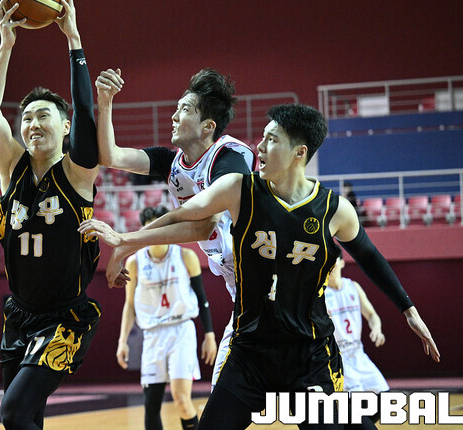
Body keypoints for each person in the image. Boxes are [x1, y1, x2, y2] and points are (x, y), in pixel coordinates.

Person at [80, 103, 440, 429]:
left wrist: (408, 310)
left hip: (309, 355)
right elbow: (185, 213)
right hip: (249, 352)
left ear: (299, 152)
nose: (260, 147)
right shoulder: (239, 189)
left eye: (271, 140)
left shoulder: (334, 209)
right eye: (262, 138)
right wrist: (125, 240)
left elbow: (371, 257)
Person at [0, 0, 102, 430]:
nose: (32, 123)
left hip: (64, 317)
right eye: (27, 117)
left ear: (65, 126)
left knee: (12, 412)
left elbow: (86, 113)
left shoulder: (78, 172)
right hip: (19, 315)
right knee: (28, 418)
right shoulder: (10, 167)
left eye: (43, 116)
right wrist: (6, 45)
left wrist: (73, 38)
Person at [94, 67, 257, 389]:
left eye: (184, 109)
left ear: (208, 126)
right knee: (240, 397)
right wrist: (105, 102)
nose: (173, 115)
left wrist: (125, 242)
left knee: (240, 395)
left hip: (270, 279)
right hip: (240, 286)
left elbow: (202, 225)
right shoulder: (171, 163)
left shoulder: (230, 157)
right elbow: (109, 156)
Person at [117, 206, 216, 430]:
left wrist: (209, 335)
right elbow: (129, 305)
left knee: (182, 400)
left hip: (181, 330)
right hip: (152, 334)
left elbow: (202, 299)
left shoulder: (185, 256)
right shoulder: (134, 262)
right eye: (150, 228)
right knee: (151, 405)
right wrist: (123, 341)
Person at [325, 251, 389, 420]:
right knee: (356, 410)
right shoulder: (320, 294)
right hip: (338, 359)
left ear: (342, 263)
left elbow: (372, 315)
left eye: (333, 261)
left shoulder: (353, 287)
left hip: (358, 354)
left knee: (385, 399)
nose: (330, 265)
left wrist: (376, 329)